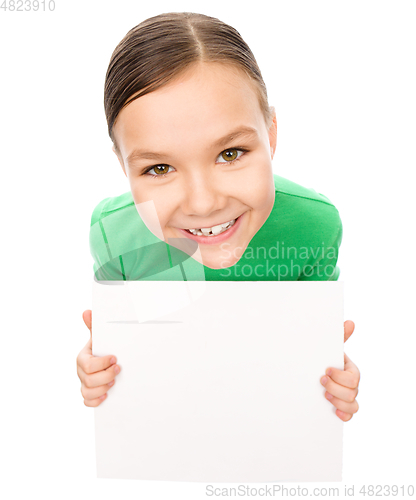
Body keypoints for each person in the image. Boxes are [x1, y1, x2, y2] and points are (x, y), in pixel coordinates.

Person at [76, 12, 360, 421]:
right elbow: (135, 345)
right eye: (158, 168)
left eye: (230, 154)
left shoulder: (314, 227)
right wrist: (98, 367)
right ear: (124, 168)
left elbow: (308, 357)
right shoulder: (114, 234)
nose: (203, 203)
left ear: (271, 134)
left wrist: (334, 379)